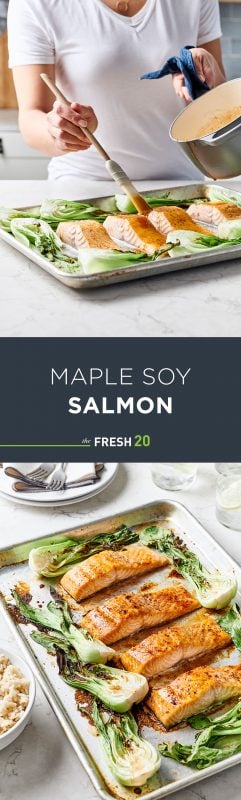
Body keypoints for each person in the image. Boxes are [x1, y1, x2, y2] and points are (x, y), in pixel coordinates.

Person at [7, 0, 225, 183]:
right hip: (86, 188)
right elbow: (31, 117)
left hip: (183, 185)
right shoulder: (36, 4)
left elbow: (219, 103)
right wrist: (58, 132)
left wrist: (203, 76)